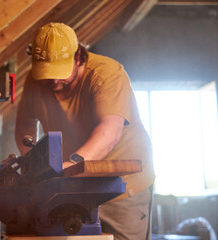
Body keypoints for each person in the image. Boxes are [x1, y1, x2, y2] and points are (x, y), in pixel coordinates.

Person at [15, 22, 155, 240]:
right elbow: (25, 125)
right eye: (46, 73)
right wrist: (31, 163)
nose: (53, 80)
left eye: (60, 72)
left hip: (120, 188)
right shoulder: (34, 82)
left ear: (79, 56)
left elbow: (109, 132)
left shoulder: (107, 74)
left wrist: (69, 165)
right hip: (71, 187)